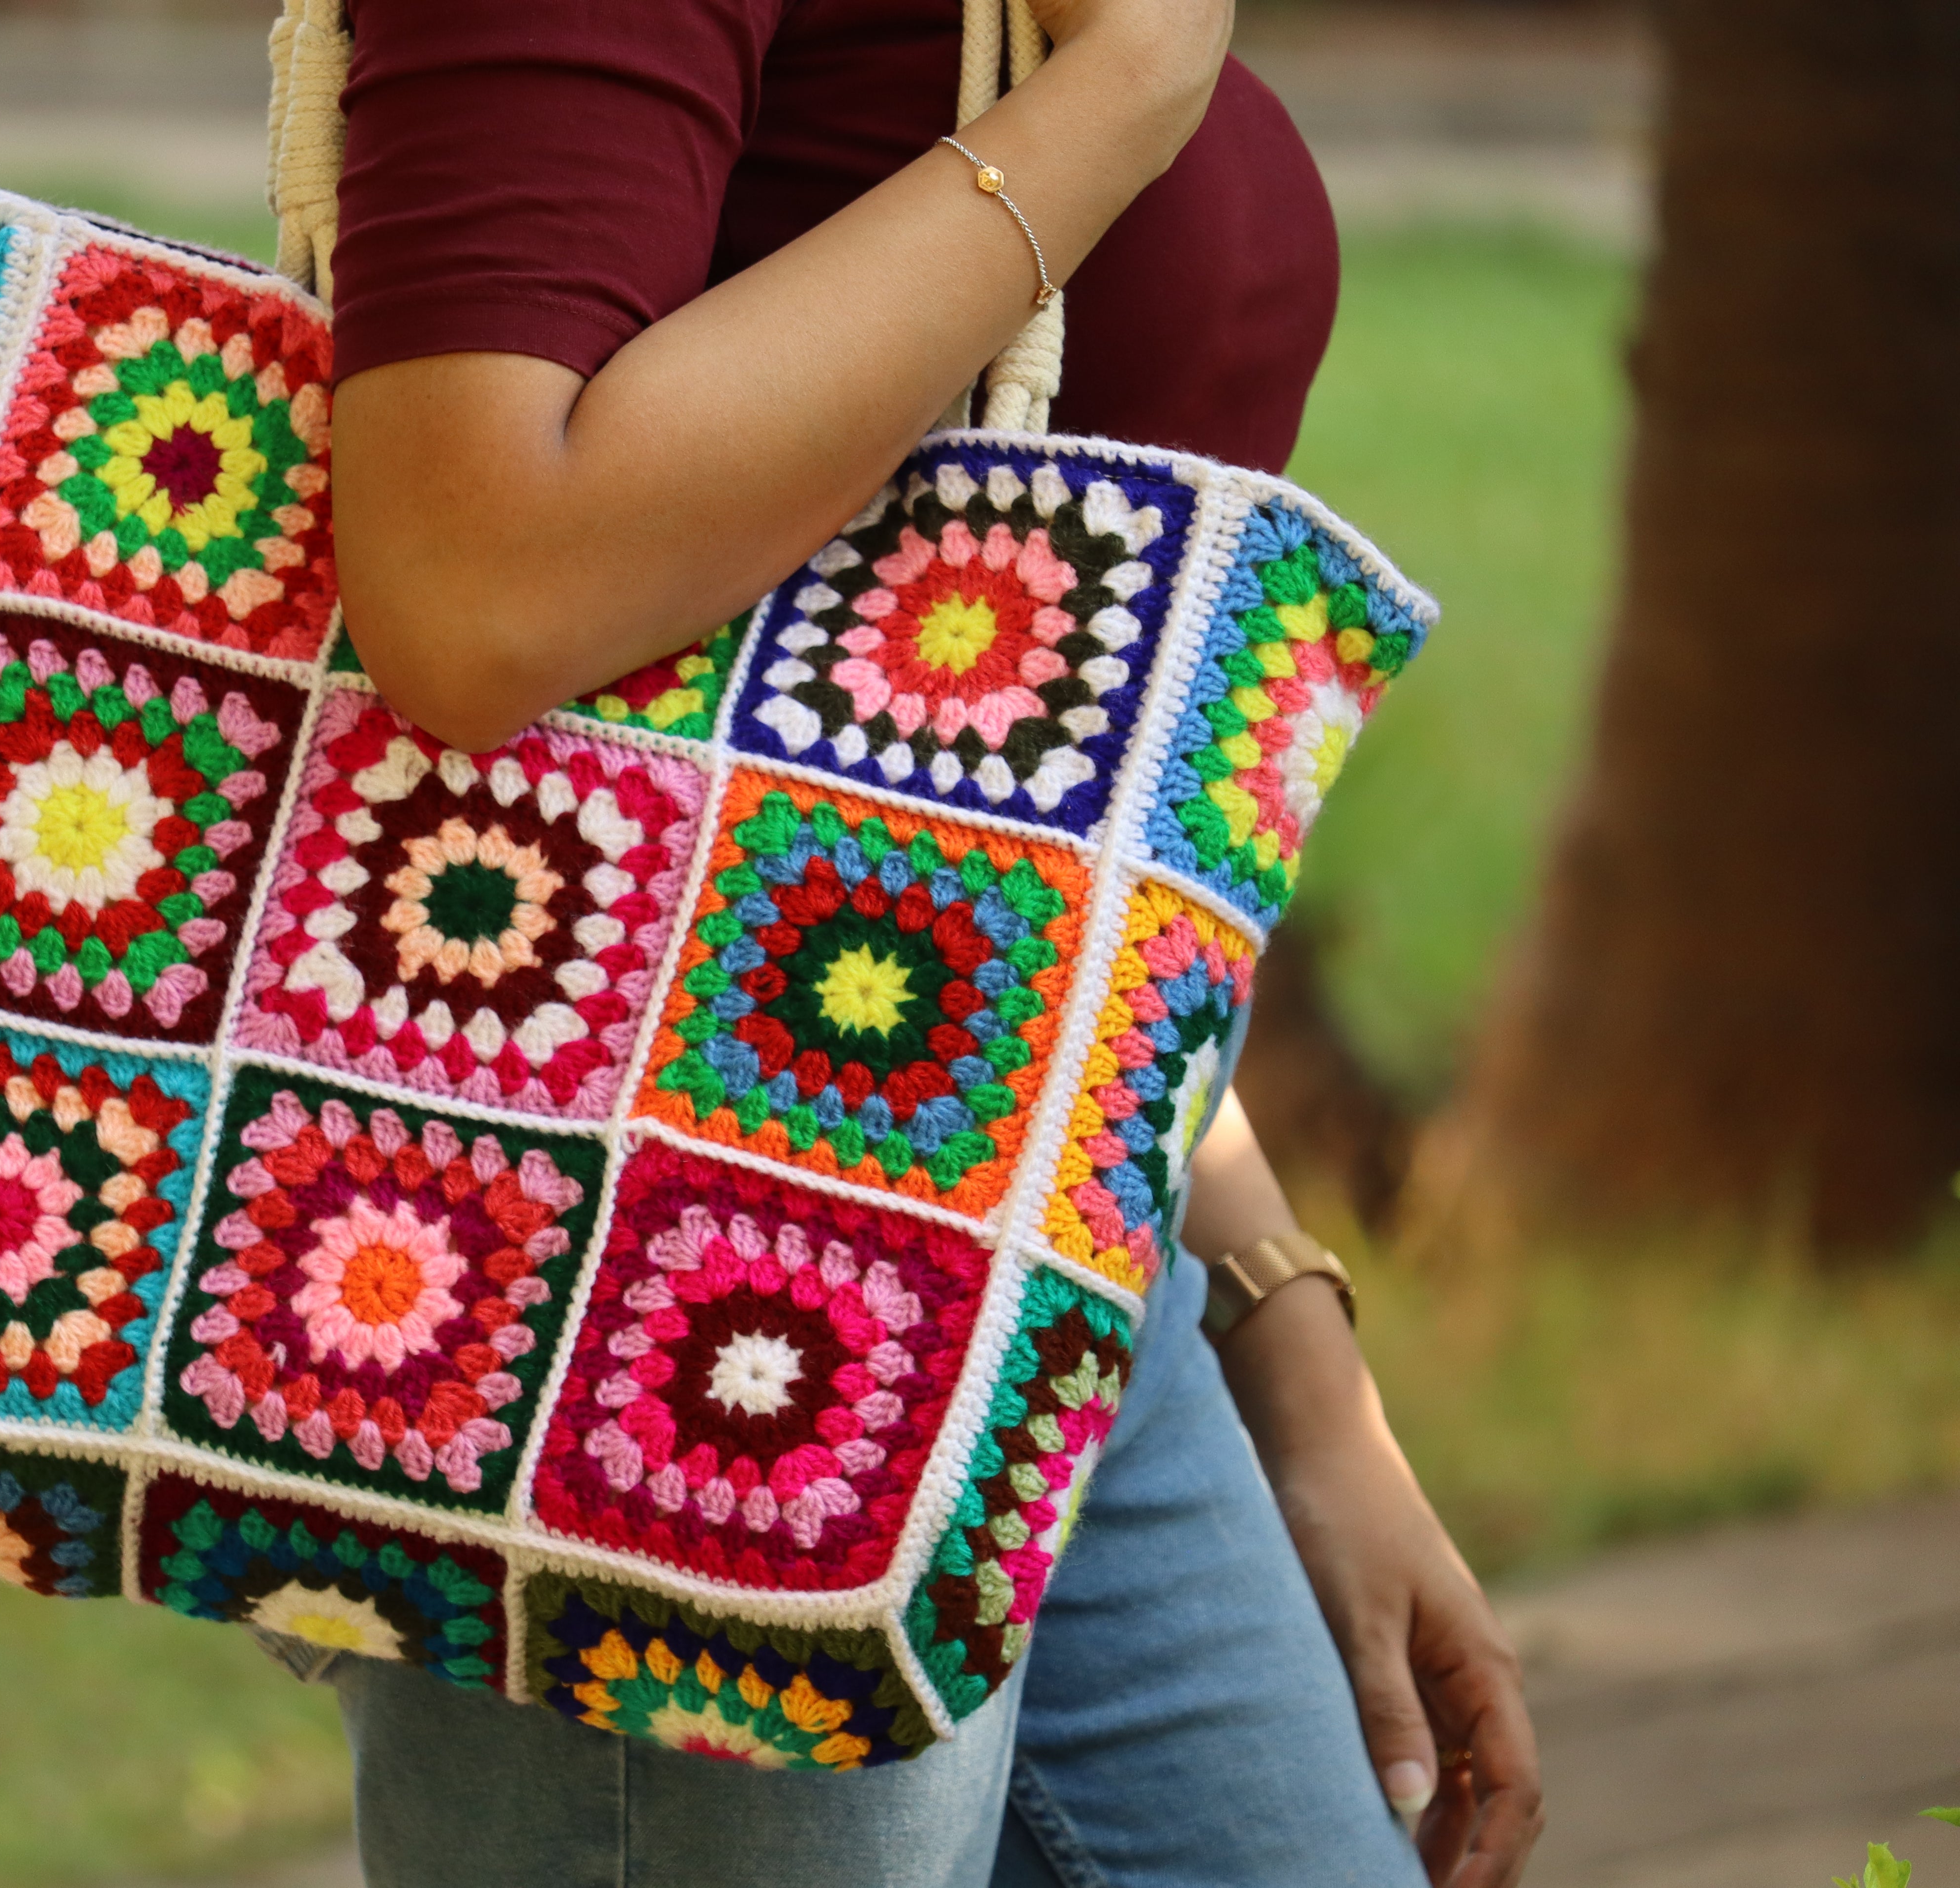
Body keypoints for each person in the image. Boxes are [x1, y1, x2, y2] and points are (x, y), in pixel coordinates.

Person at [306, 0, 1543, 1883]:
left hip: (1026, 1238)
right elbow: (473, 580)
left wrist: (1278, 1326)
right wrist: (1126, 87)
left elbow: (980, 803)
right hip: (667, 1296)